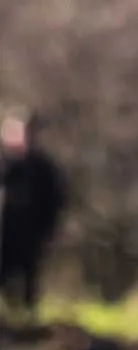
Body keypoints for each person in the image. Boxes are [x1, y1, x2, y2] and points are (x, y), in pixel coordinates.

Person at [0, 110, 65, 315]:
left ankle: (28, 316)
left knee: (29, 276)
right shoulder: (5, 164)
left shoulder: (42, 167)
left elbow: (54, 200)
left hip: (31, 233)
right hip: (5, 232)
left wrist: (47, 230)